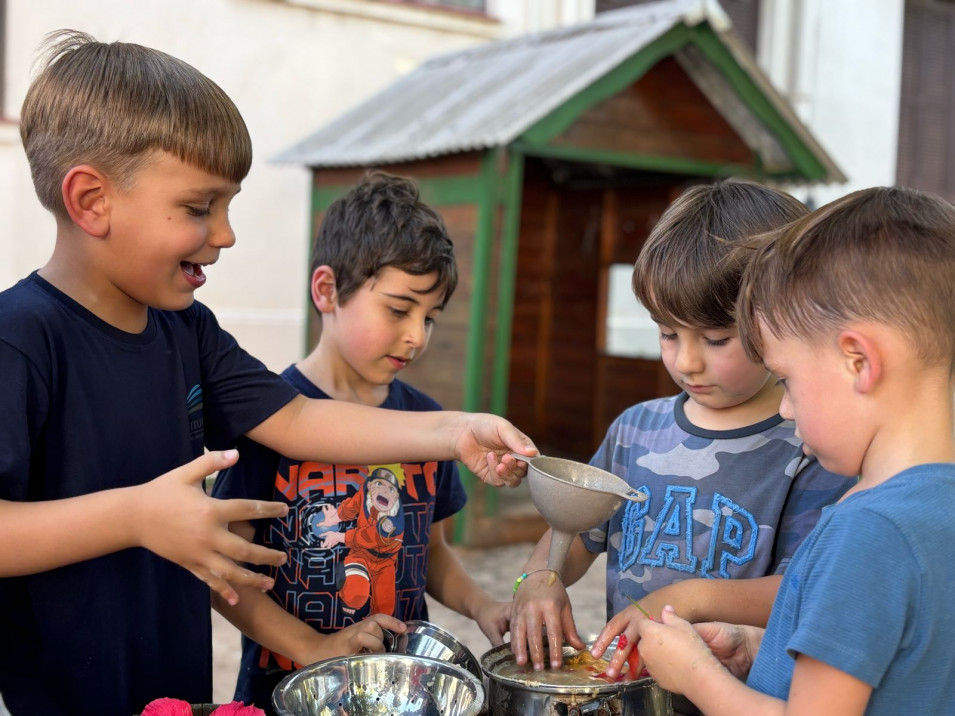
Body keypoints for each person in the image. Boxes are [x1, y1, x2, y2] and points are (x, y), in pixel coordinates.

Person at [0, 31, 534, 716]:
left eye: (228, 207)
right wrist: (136, 516)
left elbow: (298, 419)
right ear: (92, 201)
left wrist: (456, 430)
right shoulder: (22, 338)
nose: (225, 234)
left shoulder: (186, 330)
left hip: (176, 689)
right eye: (199, 207)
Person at [595, 186, 955, 714]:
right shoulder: (930, 510)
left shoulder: (865, 532)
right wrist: (752, 650)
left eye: (786, 380)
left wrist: (696, 677)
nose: (785, 409)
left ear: (859, 362)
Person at [509, 179, 854, 671]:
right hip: (628, 690)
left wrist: (686, 597)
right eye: (668, 333)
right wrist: (536, 581)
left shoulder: (814, 446)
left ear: (784, 320)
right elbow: (573, 537)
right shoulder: (634, 431)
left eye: (716, 339)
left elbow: (805, 590)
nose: (687, 361)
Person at [210, 171, 511, 711]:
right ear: (327, 290)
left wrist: (484, 606)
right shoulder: (266, 420)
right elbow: (226, 578)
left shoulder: (426, 424)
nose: (417, 336)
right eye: (398, 309)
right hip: (281, 693)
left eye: (430, 318)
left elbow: (432, 554)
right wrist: (314, 647)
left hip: (397, 696)